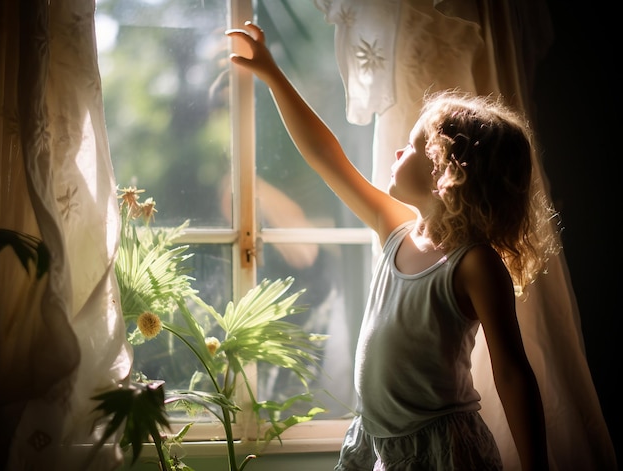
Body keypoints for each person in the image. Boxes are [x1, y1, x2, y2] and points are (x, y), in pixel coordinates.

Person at [226, 21, 556, 471]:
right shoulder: (394, 227)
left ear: (446, 175)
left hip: (439, 448)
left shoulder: (475, 265)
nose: (399, 154)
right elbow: (327, 157)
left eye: (412, 146)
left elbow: (513, 373)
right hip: (377, 439)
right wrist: (272, 75)